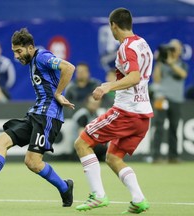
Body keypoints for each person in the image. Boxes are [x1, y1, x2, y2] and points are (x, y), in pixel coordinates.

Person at [0, 28, 75, 207]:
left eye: (19, 51)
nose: (16, 56)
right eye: (14, 52)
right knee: (1, 142)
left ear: (30, 48)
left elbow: (68, 67)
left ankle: (65, 188)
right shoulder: (34, 61)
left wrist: (58, 93)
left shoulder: (41, 56)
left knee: (32, 162)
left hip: (48, 116)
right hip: (35, 114)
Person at [74, 8, 153, 214]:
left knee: (82, 143)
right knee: (113, 157)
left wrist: (108, 86)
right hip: (143, 115)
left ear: (113, 26)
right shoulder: (143, 43)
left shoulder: (126, 47)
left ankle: (98, 195)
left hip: (126, 112)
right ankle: (138, 199)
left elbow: (134, 76)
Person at [151, 39, 188, 163]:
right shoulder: (162, 64)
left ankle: (173, 156)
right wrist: (159, 62)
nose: (173, 50)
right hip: (161, 98)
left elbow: (183, 75)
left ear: (179, 51)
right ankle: (156, 156)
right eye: (171, 48)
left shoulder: (182, 64)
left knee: (174, 127)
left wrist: (171, 63)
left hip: (176, 100)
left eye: (175, 48)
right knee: (159, 126)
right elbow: (156, 79)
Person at [71, 95, 107, 161]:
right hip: (80, 144)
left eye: (97, 104)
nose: (95, 106)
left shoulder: (98, 114)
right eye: (93, 104)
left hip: (93, 143)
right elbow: (81, 135)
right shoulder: (82, 115)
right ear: (87, 103)